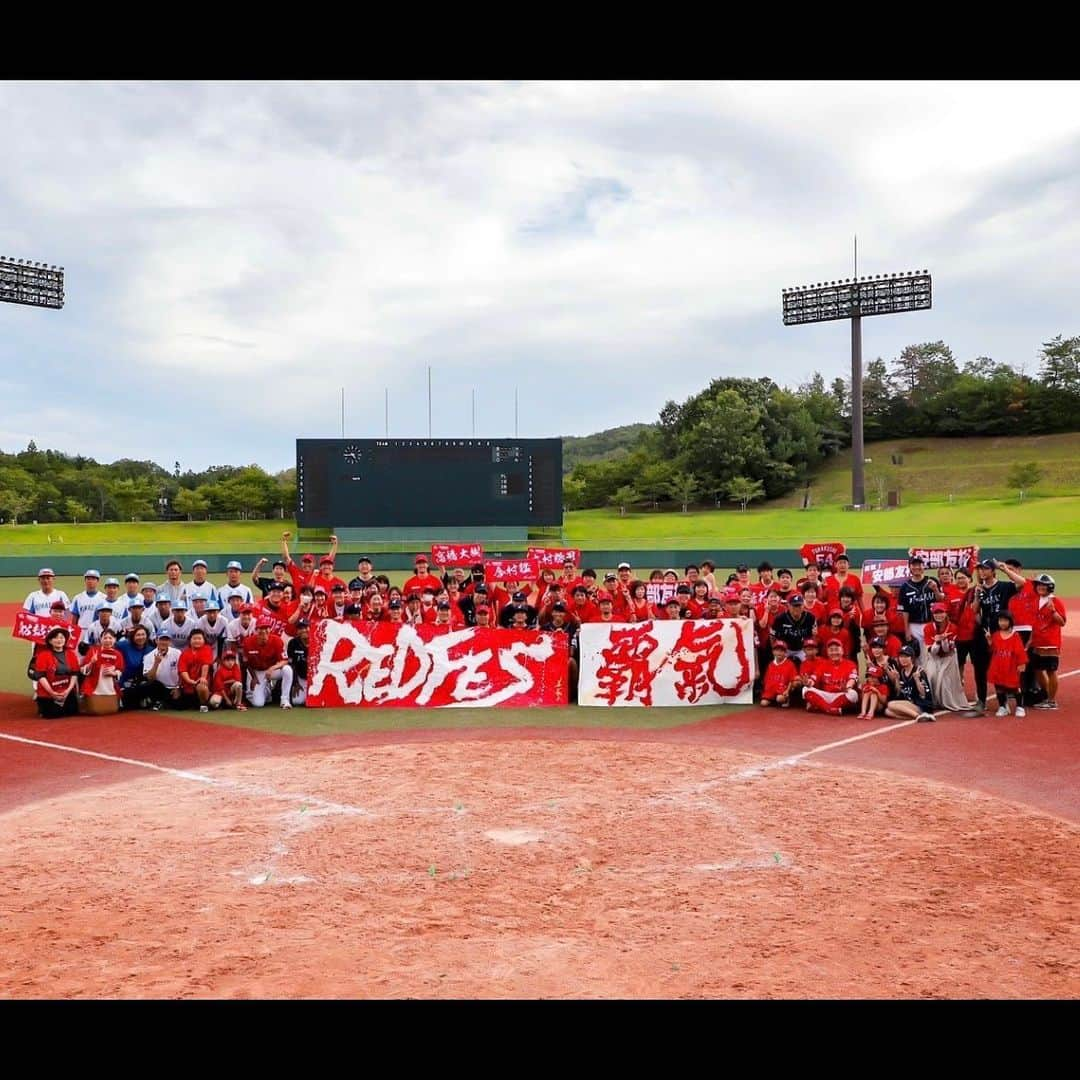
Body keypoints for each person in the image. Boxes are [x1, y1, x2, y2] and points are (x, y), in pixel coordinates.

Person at [970, 557, 1018, 713]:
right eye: (980, 569)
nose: (982, 572)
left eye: (985, 568)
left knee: (1000, 667)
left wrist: (1005, 569)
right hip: (983, 632)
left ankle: (1003, 704)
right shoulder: (978, 588)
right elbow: (974, 610)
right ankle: (981, 701)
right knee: (979, 668)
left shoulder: (1004, 587)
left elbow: (1021, 584)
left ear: (993, 570)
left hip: (1000, 633)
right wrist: (977, 595)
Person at [921, 602, 971, 711]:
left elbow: (947, 650)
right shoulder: (928, 627)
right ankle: (932, 701)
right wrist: (937, 642)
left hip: (949, 657)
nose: (939, 615)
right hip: (933, 657)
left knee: (944, 679)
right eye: (936, 613)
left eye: (941, 612)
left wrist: (943, 641)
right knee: (931, 675)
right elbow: (932, 652)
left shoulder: (952, 627)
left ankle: (947, 702)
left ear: (946, 613)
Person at [1029, 574, 1066, 710]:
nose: (1040, 587)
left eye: (1043, 585)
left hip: (1050, 643)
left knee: (1051, 671)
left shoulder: (1055, 601)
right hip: (1037, 642)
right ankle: (1045, 696)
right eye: (1038, 585)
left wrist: (1053, 612)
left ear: (1050, 587)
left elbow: (1062, 622)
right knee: (1038, 670)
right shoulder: (1036, 601)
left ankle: (1051, 701)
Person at [32, 626, 81, 718]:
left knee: (72, 711)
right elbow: (40, 676)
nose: (59, 640)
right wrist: (52, 693)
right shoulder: (43, 655)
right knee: (53, 714)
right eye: (56, 637)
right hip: (48, 691)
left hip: (66, 689)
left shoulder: (71, 654)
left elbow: (74, 673)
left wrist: (67, 691)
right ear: (50, 641)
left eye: (62, 637)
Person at [987, 611, 1028, 718]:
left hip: (1011, 666)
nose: (1003, 623)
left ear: (1010, 622)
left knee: (1015, 687)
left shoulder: (1015, 636)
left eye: (1005, 620)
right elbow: (993, 650)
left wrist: (1021, 663)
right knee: (999, 687)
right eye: (1001, 620)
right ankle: (1002, 706)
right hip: (998, 665)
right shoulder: (995, 635)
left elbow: (1020, 651)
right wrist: (990, 642)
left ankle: (1020, 706)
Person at [802, 638, 859, 715]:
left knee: (853, 694)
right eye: (831, 650)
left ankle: (820, 707)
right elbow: (813, 679)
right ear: (827, 652)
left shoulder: (850, 664)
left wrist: (847, 687)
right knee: (805, 689)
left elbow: (852, 679)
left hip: (841, 694)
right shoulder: (823, 664)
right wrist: (808, 683)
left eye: (836, 649)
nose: (834, 652)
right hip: (825, 695)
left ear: (842, 651)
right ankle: (830, 709)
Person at [242, 625, 293, 709]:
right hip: (257, 671)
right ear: (256, 632)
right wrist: (253, 677)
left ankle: (284, 700)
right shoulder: (248, 642)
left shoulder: (276, 640)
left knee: (287, 670)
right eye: (261, 633)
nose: (264, 636)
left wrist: (272, 668)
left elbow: (285, 660)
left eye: (266, 632)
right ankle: (267, 690)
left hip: (272, 670)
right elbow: (246, 663)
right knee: (258, 704)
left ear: (269, 631)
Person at [883, 645, 935, 722]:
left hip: (921, 705)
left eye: (906, 656)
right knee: (887, 711)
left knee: (891, 704)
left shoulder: (919, 671)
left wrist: (917, 679)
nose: (903, 659)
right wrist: (897, 679)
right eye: (901, 656)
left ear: (912, 658)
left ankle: (918, 715)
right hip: (910, 703)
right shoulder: (901, 672)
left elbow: (923, 694)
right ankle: (921, 717)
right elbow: (899, 692)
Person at [79, 627, 122, 706]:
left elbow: (120, 670)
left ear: (115, 639)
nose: (107, 640)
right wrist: (91, 662)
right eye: (105, 638)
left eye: (110, 638)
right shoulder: (93, 651)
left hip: (110, 686)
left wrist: (114, 673)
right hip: (94, 685)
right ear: (100, 639)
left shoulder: (118, 654)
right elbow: (82, 669)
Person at [142, 628, 183, 710]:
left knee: (180, 705)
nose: (164, 642)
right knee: (151, 685)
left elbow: (182, 672)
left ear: (170, 641)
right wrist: (156, 663)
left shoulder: (177, 653)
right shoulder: (149, 656)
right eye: (161, 639)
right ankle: (157, 701)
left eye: (166, 639)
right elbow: (150, 678)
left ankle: (161, 703)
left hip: (175, 687)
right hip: (159, 688)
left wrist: (178, 687)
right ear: (156, 640)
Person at [117, 625, 156, 711]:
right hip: (125, 682)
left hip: (142, 682)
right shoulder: (123, 645)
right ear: (132, 636)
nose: (141, 637)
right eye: (138, 635)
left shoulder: (151, 649)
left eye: (143, 634)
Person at [178, 628, 215, 711]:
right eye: (194, 638)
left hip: (201, 683)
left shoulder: (207, 649)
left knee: (202, 686)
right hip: (188, 685)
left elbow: (206, 665)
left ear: (203, 640)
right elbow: (183, 670)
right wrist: (189, 681)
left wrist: (202, 677)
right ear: (190, 640)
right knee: (179, 705)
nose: (197, 641)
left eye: (199, 638)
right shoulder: (185, 653)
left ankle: (204, 705)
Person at [760, 641, 799, 708]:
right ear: (773, 652)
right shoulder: (771, 664)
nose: (779, 653)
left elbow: (792, 680)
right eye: (777, 650)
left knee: (779, 699)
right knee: (763, 703)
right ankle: (773, 700)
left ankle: (786, 699)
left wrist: (787, 691)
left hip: (782, 689)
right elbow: (766, 680)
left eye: (782, 651)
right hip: (771, 690)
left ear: (786, 653)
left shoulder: (790, 664)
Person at [285, 620, 311, 707]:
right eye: (300, 628)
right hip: (301, 677)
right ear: (297, 631)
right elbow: (292, 664)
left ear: (310, 628)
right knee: (297, 701)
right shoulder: (293, 643)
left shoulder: (318, 640)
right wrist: (295, 682)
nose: (303, 630)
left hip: (315, 678)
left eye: (305, 627)